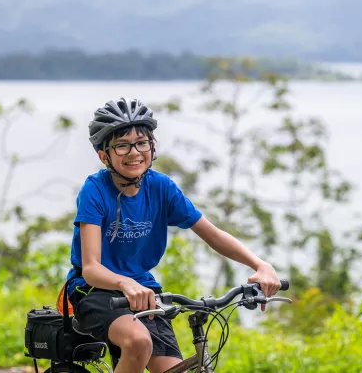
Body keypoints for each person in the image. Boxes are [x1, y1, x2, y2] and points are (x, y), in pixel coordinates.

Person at [66, 97, 281, 373]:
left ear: (152, 146)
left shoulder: (161, 188)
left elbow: (213, 234)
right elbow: (92, 268)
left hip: (145, 293)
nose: (134, 152)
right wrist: (125, 284)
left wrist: (260, 265)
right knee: (138, 342)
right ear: (104, 155)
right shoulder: (94, 191)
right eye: (122, 145)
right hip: (94, 292)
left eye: (141, 143)